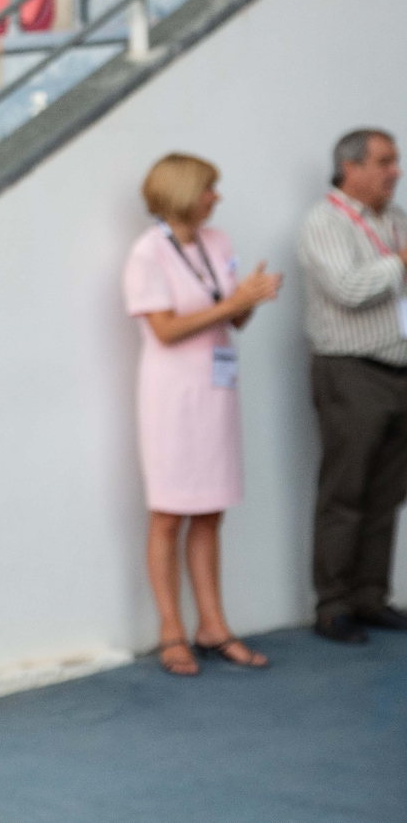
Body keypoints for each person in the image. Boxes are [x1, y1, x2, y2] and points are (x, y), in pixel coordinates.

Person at [122, 154, 282, 676]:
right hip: (171, 396)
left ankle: (212, 625)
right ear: (185, 192)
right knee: (168, 513)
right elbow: (165, 330)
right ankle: (170, 630)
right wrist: (232, 303)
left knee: (211, 509)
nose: (216, 197)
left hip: (215, 391)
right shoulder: (147, 253)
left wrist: (250, 298)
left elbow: (234, 320)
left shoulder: (218, 242)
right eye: (209, 188)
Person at [296, 129, 407, 644]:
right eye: (384, 161)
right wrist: (400, 263)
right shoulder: (325, 223)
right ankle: (334, 604)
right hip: (351, 371)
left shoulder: (396, 220)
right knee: (345, 492)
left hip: (399, 370)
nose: (395, 171)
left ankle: (370, 596)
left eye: (395, 161)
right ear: (350, 168)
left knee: (387, 493)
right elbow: (348, 289)